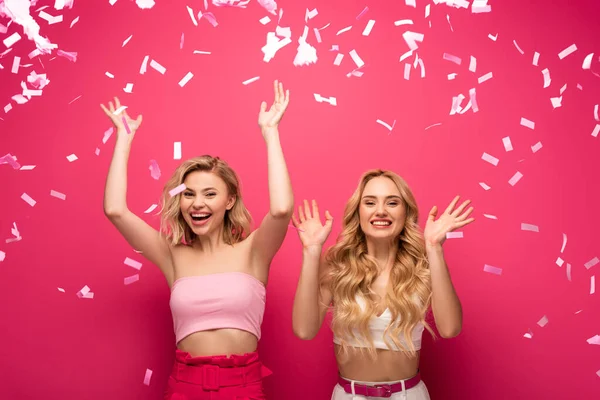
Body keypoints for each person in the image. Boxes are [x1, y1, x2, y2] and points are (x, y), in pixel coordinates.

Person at [101, 80, 294, 400]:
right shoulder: (171, 254)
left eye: (209, 194)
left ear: (229, 200)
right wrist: (124, 137)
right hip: (185, 386)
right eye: (188, 194)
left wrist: (270, 133)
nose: (197, 203)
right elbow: (115, 210)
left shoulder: (255, 251)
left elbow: (282, 208)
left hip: (243, 386)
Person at [291, 170, 474, 399]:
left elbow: (450, 329)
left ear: (405, 212)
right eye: (370, 202)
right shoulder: (337, 266)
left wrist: (434, 247)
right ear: (358, 212)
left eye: (392, 202)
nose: (380, 211)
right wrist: (311, 251)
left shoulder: (423, 267)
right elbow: (304, 330)